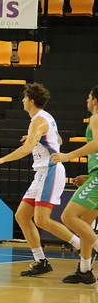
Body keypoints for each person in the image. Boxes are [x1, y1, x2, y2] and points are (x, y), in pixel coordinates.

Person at [0, 83, 81, 276]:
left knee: (42, 220)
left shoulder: (38, 120)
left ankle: (85, 246)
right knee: (21, 216)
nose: (22, 101)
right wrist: (35, 137)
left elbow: (28, 149)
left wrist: (2, 159)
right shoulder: (46, 118)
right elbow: (58, 140)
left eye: (24, 98)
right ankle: (41, 261)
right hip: (41, 174)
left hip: (50, 170)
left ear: (31, 101)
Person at [51, 85, 98, 284]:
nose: (86, 101)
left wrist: (68, 155)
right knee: (84, 223)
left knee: (68, 216)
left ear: (95, 100)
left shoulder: (95, 118)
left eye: (88, 97)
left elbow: (97, 143)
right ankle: (84, 270)